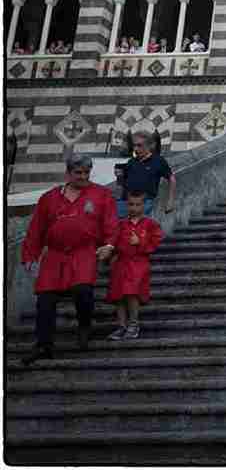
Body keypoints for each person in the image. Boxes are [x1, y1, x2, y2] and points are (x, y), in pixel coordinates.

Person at [20, 155, 119, 365]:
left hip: (84, 252)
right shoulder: (49, 198)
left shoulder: (101, 195)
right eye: (78, 173)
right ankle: (43, 345)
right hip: (54, 256)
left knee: (83, 290)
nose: (83, 177)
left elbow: (111, 224)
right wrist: (30, 256)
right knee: (45, 300)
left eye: (86, 173)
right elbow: (35, 230)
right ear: (68, 174)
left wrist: (109, 245)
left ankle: (84, 326)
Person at [105, 189, 164, 341]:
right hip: (121, 263)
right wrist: (110, 252)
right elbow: (112, 241)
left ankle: (133, 323)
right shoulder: (121, 224)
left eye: (138, 204)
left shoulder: (151, 224)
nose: (134, 208)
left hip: (138, 263)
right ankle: (121, 325)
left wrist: (140, 243)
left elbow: (155, 243)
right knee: (118, 295)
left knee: (131, 292)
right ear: (126, 204)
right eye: (131, 204)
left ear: (144, 205)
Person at [114, 131, 175, 220]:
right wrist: (119, 176)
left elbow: (172, 179)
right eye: (134, 145)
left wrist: (170, 201)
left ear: (148, 146)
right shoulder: (131, 162)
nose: (136, 149)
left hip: (145, 202)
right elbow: (122, 183)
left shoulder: (158, 160)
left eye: (139, 145)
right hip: (125, 202)